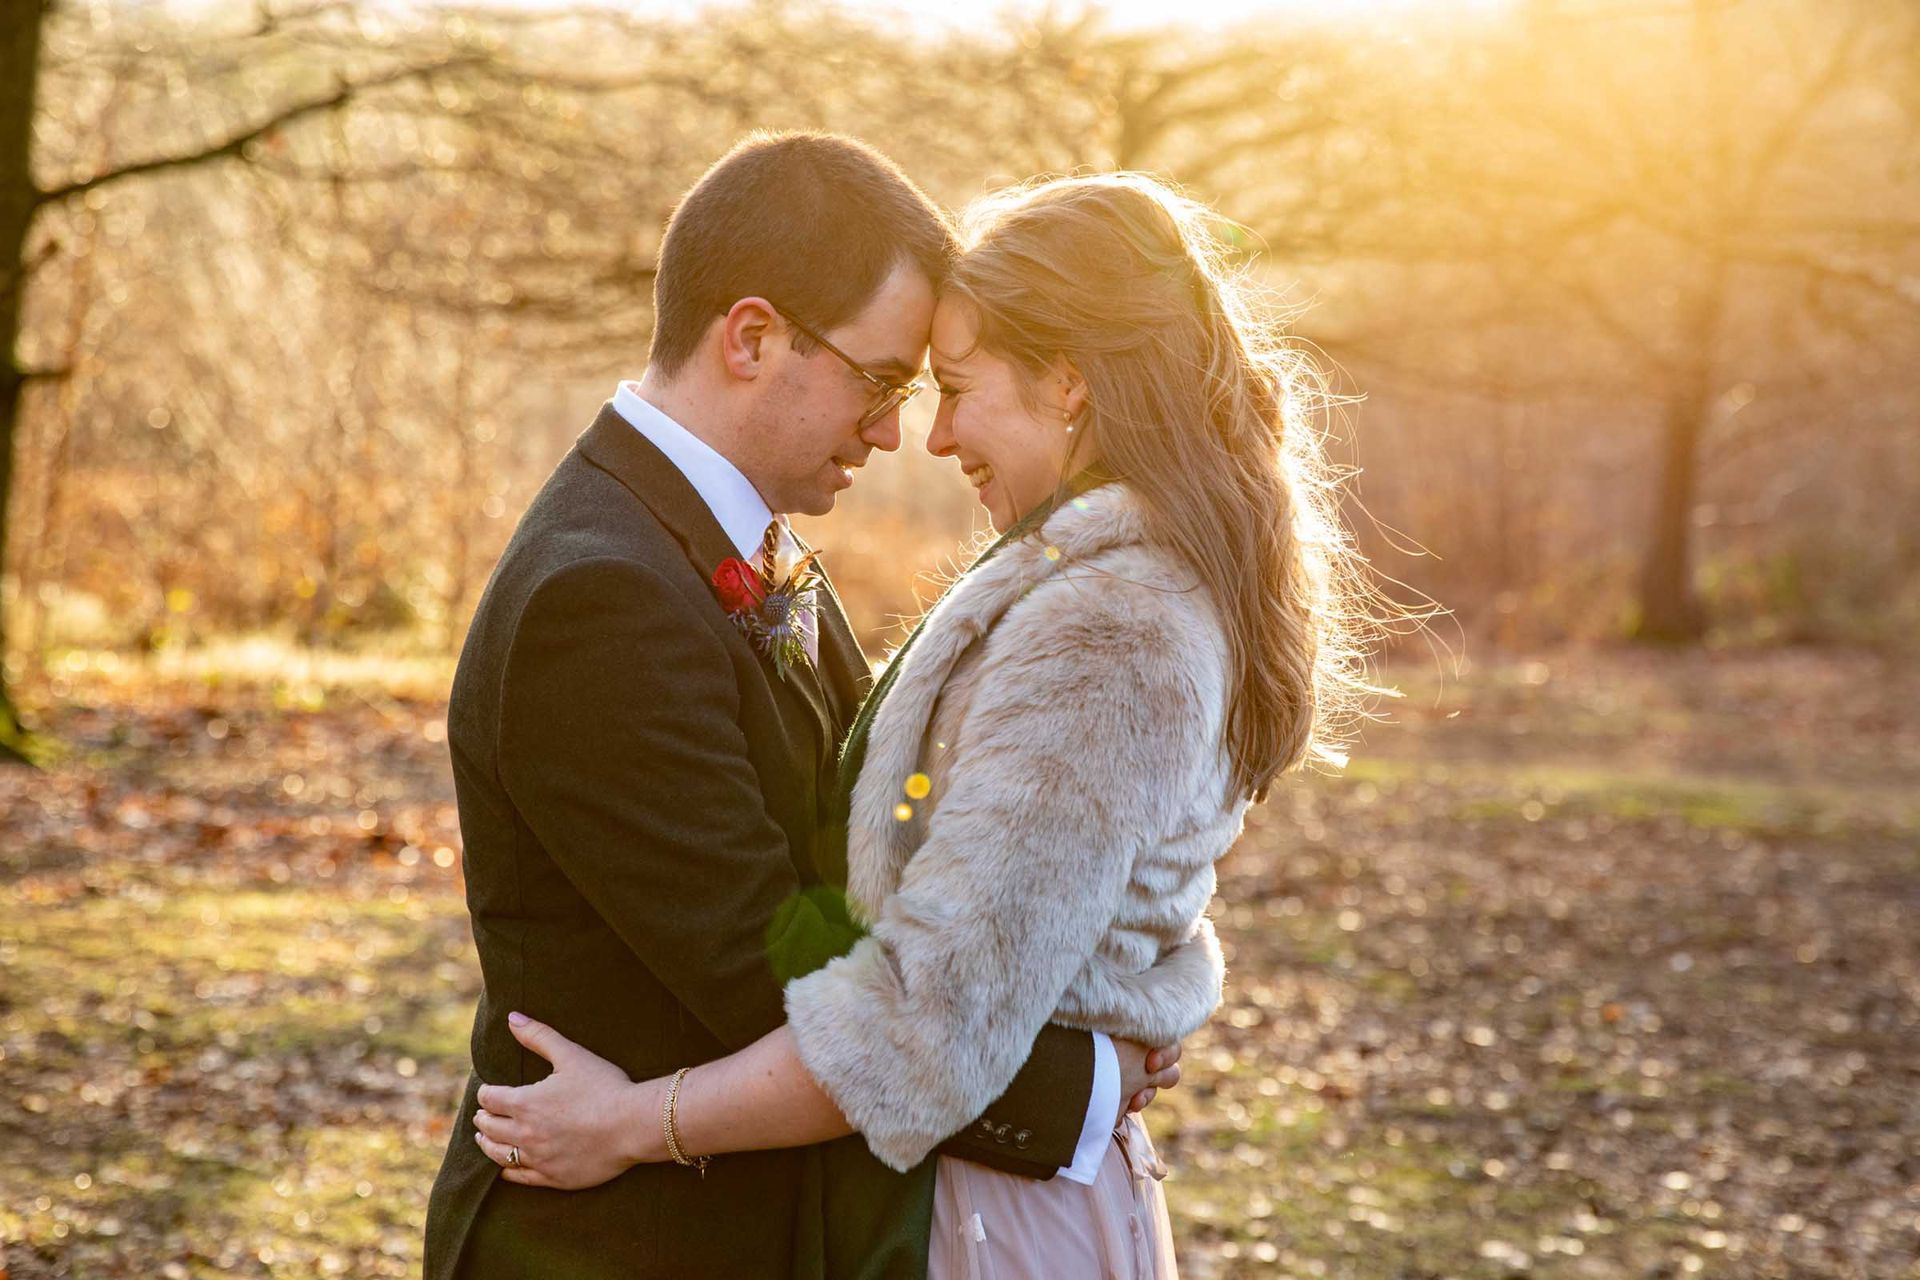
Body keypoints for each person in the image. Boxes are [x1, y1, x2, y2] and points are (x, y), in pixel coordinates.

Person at [468, 171, 1376, 1277]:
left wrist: (1100, 971)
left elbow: (912, 896)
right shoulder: (601, 592)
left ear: (1074, 384)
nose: (906, 432)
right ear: (752, 338)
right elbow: (766, 952)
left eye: (940, 386)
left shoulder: (759, 546)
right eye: (885, 380)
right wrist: (1078, 1076)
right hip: (625, 1242)